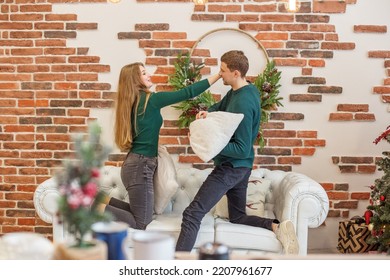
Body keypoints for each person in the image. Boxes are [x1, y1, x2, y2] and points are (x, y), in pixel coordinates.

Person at [175, 50, 299, 255]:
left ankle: (175, 267)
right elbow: (222, 108)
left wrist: (211, 145)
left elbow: (241, 148)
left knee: (192, 213)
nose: (219, 74)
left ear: (235, 73)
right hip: (241, 167)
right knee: (238, 217)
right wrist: (209, 112)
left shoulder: (244, 102)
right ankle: (277, 226)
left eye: (222, 70)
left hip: (231, 167)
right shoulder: (240, 91)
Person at [100, 62, 221, 230]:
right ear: (135, 79)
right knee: (142, 222)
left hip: (136, 165)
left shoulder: (130, 102)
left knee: (142, 215)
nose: (148, 75)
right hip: (139, 166)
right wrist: (219, 75)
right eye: (143, 73)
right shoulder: (151, 100)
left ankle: (101, 201)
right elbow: (188, 92)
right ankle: (95, 208)